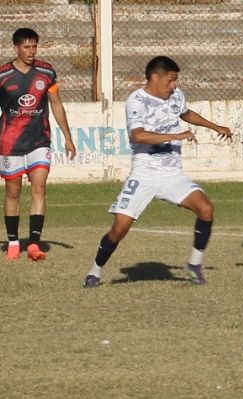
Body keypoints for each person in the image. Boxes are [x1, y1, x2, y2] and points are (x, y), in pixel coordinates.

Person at [83, 56, 232, 287]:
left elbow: (185, 113)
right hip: (144, 174)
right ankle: (95, 271)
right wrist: (177, 135)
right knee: (119, 228)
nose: (174, 86)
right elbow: (138, 135)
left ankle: (194, 265)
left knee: (206, 208)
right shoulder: (137, 101)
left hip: (172, 174)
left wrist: (215, 126)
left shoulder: (176, 96)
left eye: (175, 81)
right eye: (170, 80)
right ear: (155, 77)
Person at [0, 27, 77, 261]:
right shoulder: (0, 75)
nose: (32, 51)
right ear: (16, 48)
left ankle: (33, 243)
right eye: (27, 47)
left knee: (39, 188)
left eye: (34, 47)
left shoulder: (47, 72)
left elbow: (57, 105)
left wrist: (68, 137)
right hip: (10, 143)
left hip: (39, 140)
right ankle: (12, 242)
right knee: (13, 192)